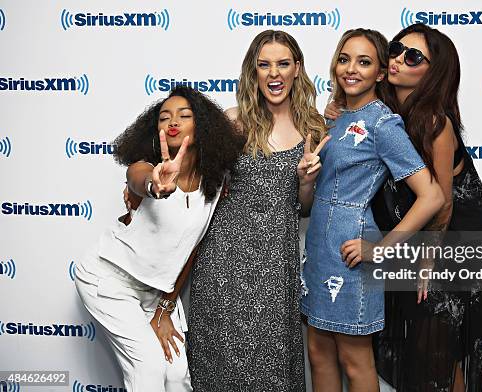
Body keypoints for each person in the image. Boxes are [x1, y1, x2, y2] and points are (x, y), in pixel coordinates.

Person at [326, 23, 482, 392]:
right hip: (417, 229)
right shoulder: (385, 113)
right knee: (419, 341)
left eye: (413, 56)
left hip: (452, 235)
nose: (398, 58)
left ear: (434, 72)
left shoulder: (435, 122)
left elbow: (444, 202)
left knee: (440, 341)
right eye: (397, 49)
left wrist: (427, 263)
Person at [301, 28, 444, 392]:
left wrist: (380, 249)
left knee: (355, 358)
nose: (351, 69)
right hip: (319, 245)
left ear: (381, 73)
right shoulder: (333, 115)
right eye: (345, 59)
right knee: (318, 352)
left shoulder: (383, 123)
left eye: (364, 62)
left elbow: (432, 196)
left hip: (352, 249)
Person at [74, 85, 243, 392]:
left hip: (157, 296)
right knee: (148, 369)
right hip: (110, 281)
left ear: (202, 125)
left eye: (184, 115)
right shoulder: (149, 168)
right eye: (164, 117)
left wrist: (164, 309)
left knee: (176, 376)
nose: (173, 121)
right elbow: (136, 179)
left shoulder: (214, 185)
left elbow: (189, 252)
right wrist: (154, 185)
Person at [186, 30, 328, 392]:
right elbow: (190, 179)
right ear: (254, 71)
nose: (274, 74)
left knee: (272, 368)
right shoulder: (234, 121)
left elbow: (305, 207)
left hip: (275, 265)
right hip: (224, 262)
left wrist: (306, 180)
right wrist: (141, 186)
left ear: (297, 69)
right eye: (264, 65)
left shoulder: (314, 127)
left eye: (283, 64)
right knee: (222, 364)